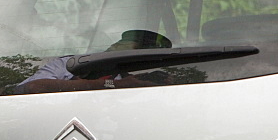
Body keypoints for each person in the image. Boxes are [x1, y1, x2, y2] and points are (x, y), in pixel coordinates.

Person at [15, 29, 172, 94]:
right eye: (122, 42)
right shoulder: (68, 64)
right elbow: (33, 87)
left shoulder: (131, 82)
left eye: (135, 46)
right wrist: (114, 85)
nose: (117, 45)